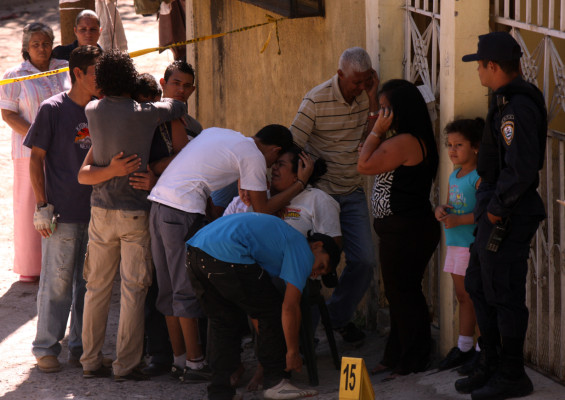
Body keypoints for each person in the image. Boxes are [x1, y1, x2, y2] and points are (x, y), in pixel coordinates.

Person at [146, 125, 312, 383]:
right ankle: (195, 364)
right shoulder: (254, 156)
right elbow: (262, 212)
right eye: (274, 162)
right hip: (182, 210)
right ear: (275, 150)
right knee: (185, 290)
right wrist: (300, 184)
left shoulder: (222, 134)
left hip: (158, 205)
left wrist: (244, 181)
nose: (270, 168)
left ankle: (179, 361)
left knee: (167, 288)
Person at [77, 50, 187, 382]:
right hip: (134, 212)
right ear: (129, 78)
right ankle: (125, 364)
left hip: (100, 210)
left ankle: (90, 361)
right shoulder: (143, 113)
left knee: (95, 288)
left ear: (101, 81)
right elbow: (177, 107)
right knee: (133, 290)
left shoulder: (92, 109)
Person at [456, 31, 547, 400]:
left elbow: (521, 170)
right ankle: (489, 361)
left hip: (508, 213)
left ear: (493, 66)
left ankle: (512, 373)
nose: (478, 72)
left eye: (479, 65)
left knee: (504, 292)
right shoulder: (506, 101)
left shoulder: (517, 109)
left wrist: (495, 210)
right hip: (494, 208)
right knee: (479, 284)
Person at [185, 212, 341, 400]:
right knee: (272, 311)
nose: (316, 274)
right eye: (323, 266)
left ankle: (220, 392)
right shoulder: (303, 249)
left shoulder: (280, 240)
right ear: (317, 245)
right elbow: (290, 307)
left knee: (222, 322)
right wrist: (292, 352)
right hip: (225, 253)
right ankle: (276, 382)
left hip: (195, 251)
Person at [290, 47, 379, 343]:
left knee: (365, 260)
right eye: (356, 81)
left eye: (366, 80)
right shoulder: (316, 100)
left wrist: (373, 96)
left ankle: (337, 317)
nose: (361, 87)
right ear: (340, 74)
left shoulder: (368, 94)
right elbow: (293, 144)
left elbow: (373, 134)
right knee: (312, 265)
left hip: (352, 191)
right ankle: (307, 335)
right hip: (320, 196)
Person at [23, 45, 101, 373]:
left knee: (90, 286)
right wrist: (42, 205)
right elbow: (36, 159)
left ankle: (83, 350)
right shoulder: (52, 109)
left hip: (98, 213)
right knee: (56, 283)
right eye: (98, 73)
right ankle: (46, 348)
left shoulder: (104, 110)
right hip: (62, 213)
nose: (103, 80)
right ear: (78, 73)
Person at [357, 79, 440, 377]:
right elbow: (364, 148)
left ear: (399, 110)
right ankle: (394, 355)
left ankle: (414, 358)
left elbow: (363, 164)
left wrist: (377, 131)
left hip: (407, 231)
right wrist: (374, 121)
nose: (381, 115)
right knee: (400, 293)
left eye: (384, 109)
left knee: (404, 294)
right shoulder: (404, 139)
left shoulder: (404, 141)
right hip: (403, 230)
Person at [0, 22, 70, 282]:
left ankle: (63, 263)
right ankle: (33, 268)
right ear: (25, 48)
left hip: (64, 148)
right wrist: (39, 138)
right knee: (31, 205)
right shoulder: (15, 74)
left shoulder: (64, 68)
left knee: (64, 202)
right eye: (35, 45)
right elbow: (8, 113)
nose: (42, 49)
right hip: (29, 151)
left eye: (46, 43)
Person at [434, 118, 483, 371]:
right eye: (449, 144)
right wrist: (441, 210)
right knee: (462, 297)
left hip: (469, 245)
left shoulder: (478, 177)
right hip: (454, 245)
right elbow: (448, 202)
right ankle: (463, 346)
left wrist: (458, 219)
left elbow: (483, 213)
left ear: (475, 146)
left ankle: (480, 350)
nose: (452, 150)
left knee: (475, 296)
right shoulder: (454, 175)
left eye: (459, 145)